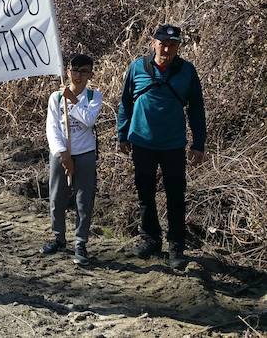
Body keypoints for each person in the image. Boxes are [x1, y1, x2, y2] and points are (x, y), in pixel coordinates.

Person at [117, 24, 206, 269]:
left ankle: (176, 247)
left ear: (178, 47)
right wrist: (122, 134)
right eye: (163, 44)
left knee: (176, 196)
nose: (167, 49)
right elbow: (125, 102)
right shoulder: (137, 67)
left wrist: (198, 143)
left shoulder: (187, 71)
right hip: (141, 142)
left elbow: (196, 108)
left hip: (173, 145)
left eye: (172, 45)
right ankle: (150, 239)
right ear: (153, 43)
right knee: (145, 193)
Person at [40, 54, 103, 266]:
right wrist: (62, 153)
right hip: (61, 153)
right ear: (68, 72)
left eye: (84, 71)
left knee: (84, 200)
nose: (78, 76)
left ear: (90, 74)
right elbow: (52, 128)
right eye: (75, 71)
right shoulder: (56, 97)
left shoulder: (94, 96)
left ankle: (80, 242)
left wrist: (73, 101)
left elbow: (88, 120)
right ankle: (58, 238)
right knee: (57, 197)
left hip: (85, 153)